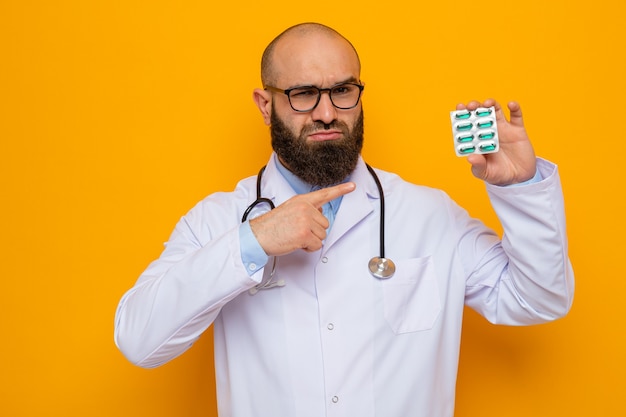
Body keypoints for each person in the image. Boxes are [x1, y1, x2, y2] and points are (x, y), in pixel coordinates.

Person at [114, 22, 574, 417]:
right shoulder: (216, 221)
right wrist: (251, 242)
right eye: (303, 95)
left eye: (342, 90)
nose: (327, 112)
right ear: (264, 104)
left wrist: (521, 186)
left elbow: (539, 300)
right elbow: (139, 341)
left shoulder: (430, 216)